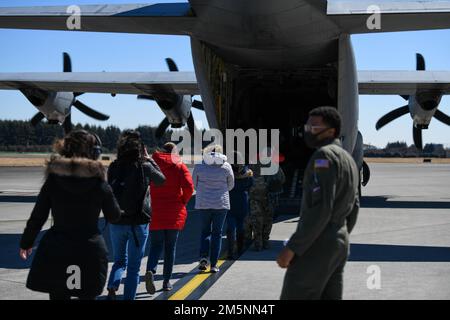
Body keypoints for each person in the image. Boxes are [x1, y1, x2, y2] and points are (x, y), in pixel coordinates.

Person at [19, 130, 122, 300]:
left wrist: (26, 242)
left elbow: (38, 217)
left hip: (58, 249)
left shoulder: (53, 181)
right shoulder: (99, 183)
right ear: (94, 153)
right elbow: (114, 216)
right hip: (89, 250)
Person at [277, 106, 360, 300]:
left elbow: (321, 209)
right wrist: (339, 234)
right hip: (339, 242)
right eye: (307, 125)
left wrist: (293, 248)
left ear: (331, 131)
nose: (307, 130)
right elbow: (355, 206)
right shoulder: (348, 159)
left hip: (318, 244)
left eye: (314, 127)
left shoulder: (324, 157)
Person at [106, 130, 166, 300]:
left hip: (117, 221)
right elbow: (161, 180)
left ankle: (112, 287)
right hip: (138, 222)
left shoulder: (113, 167)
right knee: (133, 267)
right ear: (139, 150)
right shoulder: (144, 167)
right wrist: (150, 159)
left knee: (119, 260)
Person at [145, 142, 194, 293]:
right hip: (174, 213)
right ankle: (166, 282)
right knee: (170, 248)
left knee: (155, 246)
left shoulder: (152, 164)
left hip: (157, 212)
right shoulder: (179, 165)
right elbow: (189, 187)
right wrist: (183, 201)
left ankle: (151, 271)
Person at [192, 144, 234, 273]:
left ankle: (204, 257)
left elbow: (195, 184)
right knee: (217, 233)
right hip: (221, 204)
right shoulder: (226, 166)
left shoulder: (200, 165)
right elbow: (231, 185)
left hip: (204, 203)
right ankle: (214, 264)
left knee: (205, 231)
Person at [248, 152, 285, 251]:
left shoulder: (253, 166)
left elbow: (246, 179)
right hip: (269, 198)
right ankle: (265, 241)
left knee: (257, 220)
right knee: (268, 220)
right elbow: (282, 179)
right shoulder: (274, 166)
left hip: (255, 197)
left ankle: (258, 243)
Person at [226, 152, 254, 259]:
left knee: (230, 228)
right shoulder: (247, 173)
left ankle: (230, 252)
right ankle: (240, 249)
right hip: (242, 201)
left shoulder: (227, 171)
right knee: (240, 227)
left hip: (230, 201)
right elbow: (251, 184)